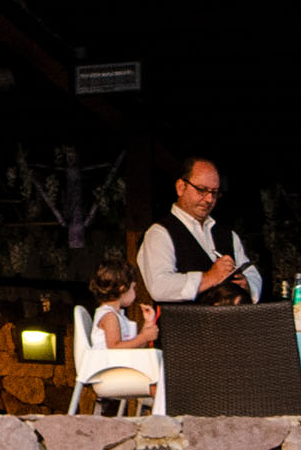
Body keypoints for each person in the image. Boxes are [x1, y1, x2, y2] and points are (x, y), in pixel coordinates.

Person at [139, 158, 261, 306]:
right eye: (202, 190)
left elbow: (251, 272)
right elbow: (159, 286)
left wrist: (247, 285)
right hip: (184, 327)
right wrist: (209, 277)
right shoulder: (159, 234)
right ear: (181, 187)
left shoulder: (228, 235)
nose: (209, 199)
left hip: (231, 325)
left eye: (214, 192)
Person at [80, 262, 161, 411]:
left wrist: (147, 326)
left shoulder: (116, 316)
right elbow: (115, 347)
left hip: (118, 370)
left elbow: (132, 348)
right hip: (109, 375)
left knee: (162, 381)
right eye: (133, 288)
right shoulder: (109, 316)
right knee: (160, 387)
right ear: (123, 289)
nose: (135, 293)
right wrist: (143, 337)